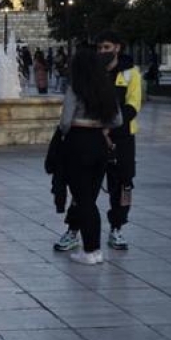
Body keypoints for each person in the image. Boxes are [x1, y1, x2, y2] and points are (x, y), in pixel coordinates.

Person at [55, 32, 142, 253]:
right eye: (99, 48)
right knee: (84, 188)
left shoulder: (131, 74)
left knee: (123, 183)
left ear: (117, 48)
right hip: (94, 138)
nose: (102, 52)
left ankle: (117, 227)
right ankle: (73, 229)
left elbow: (133, 106)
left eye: (106, 47)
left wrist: (108, 128)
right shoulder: (93, 73)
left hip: (121, 137)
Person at [53, 47, 122, 264]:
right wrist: (99, 125)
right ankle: (95, 250)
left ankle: (91, 250)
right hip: (99, 144)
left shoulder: (76, 88)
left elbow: (65, 122)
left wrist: (71, 129)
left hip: (78, 142)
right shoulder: (106, 88)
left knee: (83, 200)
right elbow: (117, 120)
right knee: (90, 197)